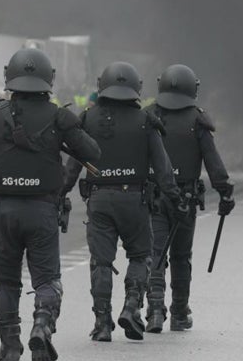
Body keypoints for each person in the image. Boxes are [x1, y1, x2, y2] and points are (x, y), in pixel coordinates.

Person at [0, 49, 101, 361]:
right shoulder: (59, 117)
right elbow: (92, 152)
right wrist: (62, 135)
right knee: (47, 280)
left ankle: (10, 350)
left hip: (4, 211)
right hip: (43, 210)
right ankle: (42, 324)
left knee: (5, 281)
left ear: (10, 77)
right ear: (49, 79)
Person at [62, 62, 181, 342]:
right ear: (136, 87)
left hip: (99, 199)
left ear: (101, 85)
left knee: (101, 262)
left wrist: (59, 192)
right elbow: (163, 168)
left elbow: (73, 166)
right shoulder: (145, 120)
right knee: (141, 256)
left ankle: (102, 323)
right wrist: (175, 198)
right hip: (135, 200)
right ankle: (131, 306)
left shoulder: (87, 119)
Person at [147, 65, 234, 333]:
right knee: (182, 256)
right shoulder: (198, 121)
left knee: (156, 253)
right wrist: (224, 191)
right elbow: (212, 160)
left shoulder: (149, 115)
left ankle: (154, 310)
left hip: (154, 195)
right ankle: (179, 313)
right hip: (184, 198)